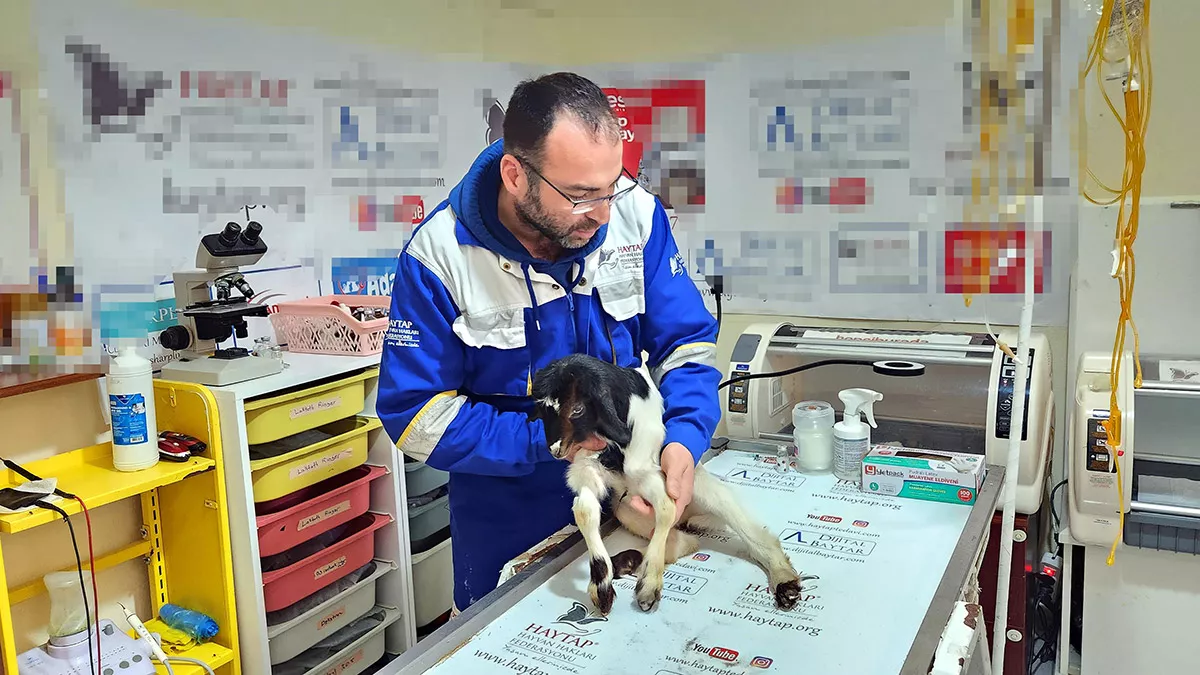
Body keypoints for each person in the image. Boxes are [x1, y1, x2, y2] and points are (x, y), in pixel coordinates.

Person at [375, 72, 721, 613]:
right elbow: (415, 417)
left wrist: (685, 438)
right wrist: (555, 437)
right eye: (582, 196)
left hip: (628, 495)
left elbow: (687, 347)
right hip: (509, 517)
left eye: (613, 187)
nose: (604, 214)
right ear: (515, 175)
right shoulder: (439, 257)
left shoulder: (637, 219)